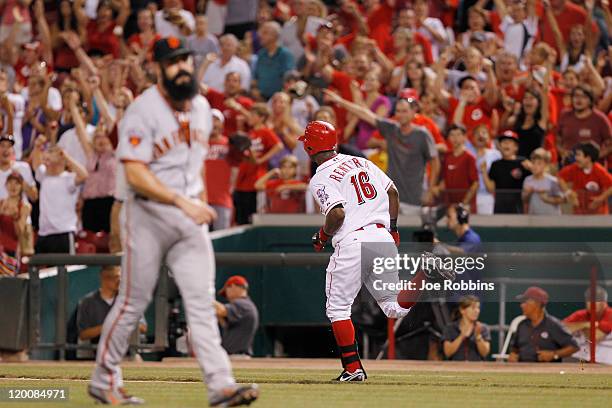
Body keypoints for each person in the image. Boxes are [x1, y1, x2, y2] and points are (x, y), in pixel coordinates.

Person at [88, 37, 258, 406]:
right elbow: (134, 172)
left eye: (185, 60)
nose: (181, 67)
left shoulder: (200, 107)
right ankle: (104, 379)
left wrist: (192, 197)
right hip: (147, 215)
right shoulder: (142, 110)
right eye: (173, 61)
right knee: (134, 301)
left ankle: (220, 385)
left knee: (200, 302)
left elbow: (192, 161)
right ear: (159, 68)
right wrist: (183, 199)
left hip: (187, 218)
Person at [300, 120, 454, 381]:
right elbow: (392, 192)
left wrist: (323, 236)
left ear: (310, 147)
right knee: (394, 307)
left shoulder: (321, 177)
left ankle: (352, 369)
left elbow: (337, 213)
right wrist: (393, 230)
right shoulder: (361, 161)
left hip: (352, 240)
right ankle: (425, 272)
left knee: (338, 309)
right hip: (381, 236)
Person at [323, 89, 440, 215]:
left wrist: (431, 189)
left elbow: (435, 161)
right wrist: (339, 100)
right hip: (391, 198)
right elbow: (364, 114)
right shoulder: (391, 129)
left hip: (414, 198)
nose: (401, 114)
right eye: (398, 111)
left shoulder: (422, 134)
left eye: (405, 111)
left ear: (413, 112)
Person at [31, 138, 88, 254]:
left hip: (63, 233)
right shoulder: (44, 177)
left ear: (61, 160)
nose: (46, 162)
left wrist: (66, 156)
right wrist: (37, 147)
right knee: (39, 271)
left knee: (65, 270)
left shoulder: (69, 178)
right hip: (44, 234)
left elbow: (84, 175)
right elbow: (36, 165)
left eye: (49, 159)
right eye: (45, 159)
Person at [76, 266, 147, 360]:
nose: (120, 281)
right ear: (104, 278)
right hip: (96, 352)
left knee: (137, 361)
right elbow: (83, 335)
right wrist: (108, 326)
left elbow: (143, 327)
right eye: (116, 277)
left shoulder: (128, 300)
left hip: (126, 352)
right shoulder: (87, 302)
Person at [233, 103, 282, 225]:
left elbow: (278, 145)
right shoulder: (249, 132)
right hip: (242, 178)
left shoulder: (265, 131)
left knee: (252, 217)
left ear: (261, 117)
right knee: (240, 217)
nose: (249, 117)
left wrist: (262, 159)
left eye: (253, 115)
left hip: (255, 178)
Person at [509, 286, 579, 362]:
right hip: (522, 369)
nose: (521, 305)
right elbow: (514, 348)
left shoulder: (553, 325)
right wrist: (513, 354)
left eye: (525, 302)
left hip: (546, 370)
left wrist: (554, 355)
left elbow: (574, 347)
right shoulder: (522, 325)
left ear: (537, 303)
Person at [556, 85, 612, 166]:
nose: (579, 100)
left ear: (590, 100)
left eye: (583, 96)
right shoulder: (564, 115)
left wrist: (595, 156)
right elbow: (558, 138)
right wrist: (562, 152)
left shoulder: (600, 119)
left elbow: (610, 144)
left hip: (593, 169)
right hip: (569, 166)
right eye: (576, 96)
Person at [483, 130, 531, 214]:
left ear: (516, 147)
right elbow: (491, 189)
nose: (506, 144)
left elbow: (533, 182)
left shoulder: (523, 163)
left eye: (510, 142)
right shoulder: (495, 165)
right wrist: (483, 172)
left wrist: (531, 168)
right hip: (499, 207)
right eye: (504, 142)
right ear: (499, 146)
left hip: (517, 208)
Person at [558, 142, 612, 214]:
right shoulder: (574, 168)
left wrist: (600, 199)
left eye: (578, 155)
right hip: (579, 212)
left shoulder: (599, 170)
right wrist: (568, 192)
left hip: (598, 214)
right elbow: (560, 177)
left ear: (588, 158)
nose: (575, 158)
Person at [564, 286, 612, 364]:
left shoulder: (610, 314)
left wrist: (577, 327)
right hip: (583, 356)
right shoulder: (581, 314)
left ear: (604, 302)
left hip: (606, 358)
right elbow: (561, 329)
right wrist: (586, 324)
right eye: (589, 300)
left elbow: (594, 336)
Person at [434, 125, 478, 210]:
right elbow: (444, 180)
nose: (455, 138)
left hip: (465, 206)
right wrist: (437, 189)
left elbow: (475, 184)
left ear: (465, 137)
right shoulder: (446, 157)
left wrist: (464, 202)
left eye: (458, 135)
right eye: (452, 135)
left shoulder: (470, 158)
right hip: (449, 206)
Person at [213, 275, 259, 356]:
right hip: (236, 356)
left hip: (238, 357)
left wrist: (204, 297)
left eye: (226, 291)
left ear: (233, 286)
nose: (226, 296)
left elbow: (221, 310)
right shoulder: (246, 305)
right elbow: (224, 322)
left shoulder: (243, 304)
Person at [205, 109, 234, 231]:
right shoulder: (197, 144)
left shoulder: (230, 145)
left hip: (222, 199)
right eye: (210, 120)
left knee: (222, 240)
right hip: (200, 199)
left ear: (222, 124)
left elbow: (240, 166)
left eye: (216, 120)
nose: (213, 123)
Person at [253, 21, 295, 100]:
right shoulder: (261, 54)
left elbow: (289, 80)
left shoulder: (285, 55)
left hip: (278, 101)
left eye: (264, 33)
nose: (260, 36)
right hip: (260, 98)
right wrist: (255, 90)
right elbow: (256, 76)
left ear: (275, 36)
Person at [442, 295, 491, 361]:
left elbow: (484, 353)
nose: (477, 311)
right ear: (462, 310)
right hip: (455, 367)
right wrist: (461, 336)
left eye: (478, 308)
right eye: (473, 308)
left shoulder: (483, 328)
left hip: (477, 367)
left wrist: (478, 337)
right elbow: (447, 353)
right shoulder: (450, 328)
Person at [522, 148, 564, 215]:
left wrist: (546, 199)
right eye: (533, 163)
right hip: (534, 218)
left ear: (545, 165)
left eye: (539, 163)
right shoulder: (527, 180)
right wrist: (529, 192)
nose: (535, 166)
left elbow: (562, 199)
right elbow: (524, 200)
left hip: (552, 218)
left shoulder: (552, 181)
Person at [472, 125, 501, 215]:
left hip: (488, 196)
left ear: (489, 137)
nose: (480, 135)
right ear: (473, 137)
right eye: (477, 133)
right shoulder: (467, 153)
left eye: (484, 133)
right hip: (469, 196)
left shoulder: (496, 154)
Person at [0, 134, 37, 201]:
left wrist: (20, 179)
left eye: (9, 146)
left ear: (13, 150)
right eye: (2, 145)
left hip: (20, 210)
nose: (5, 149)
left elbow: (34, 197)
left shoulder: (23, 167)